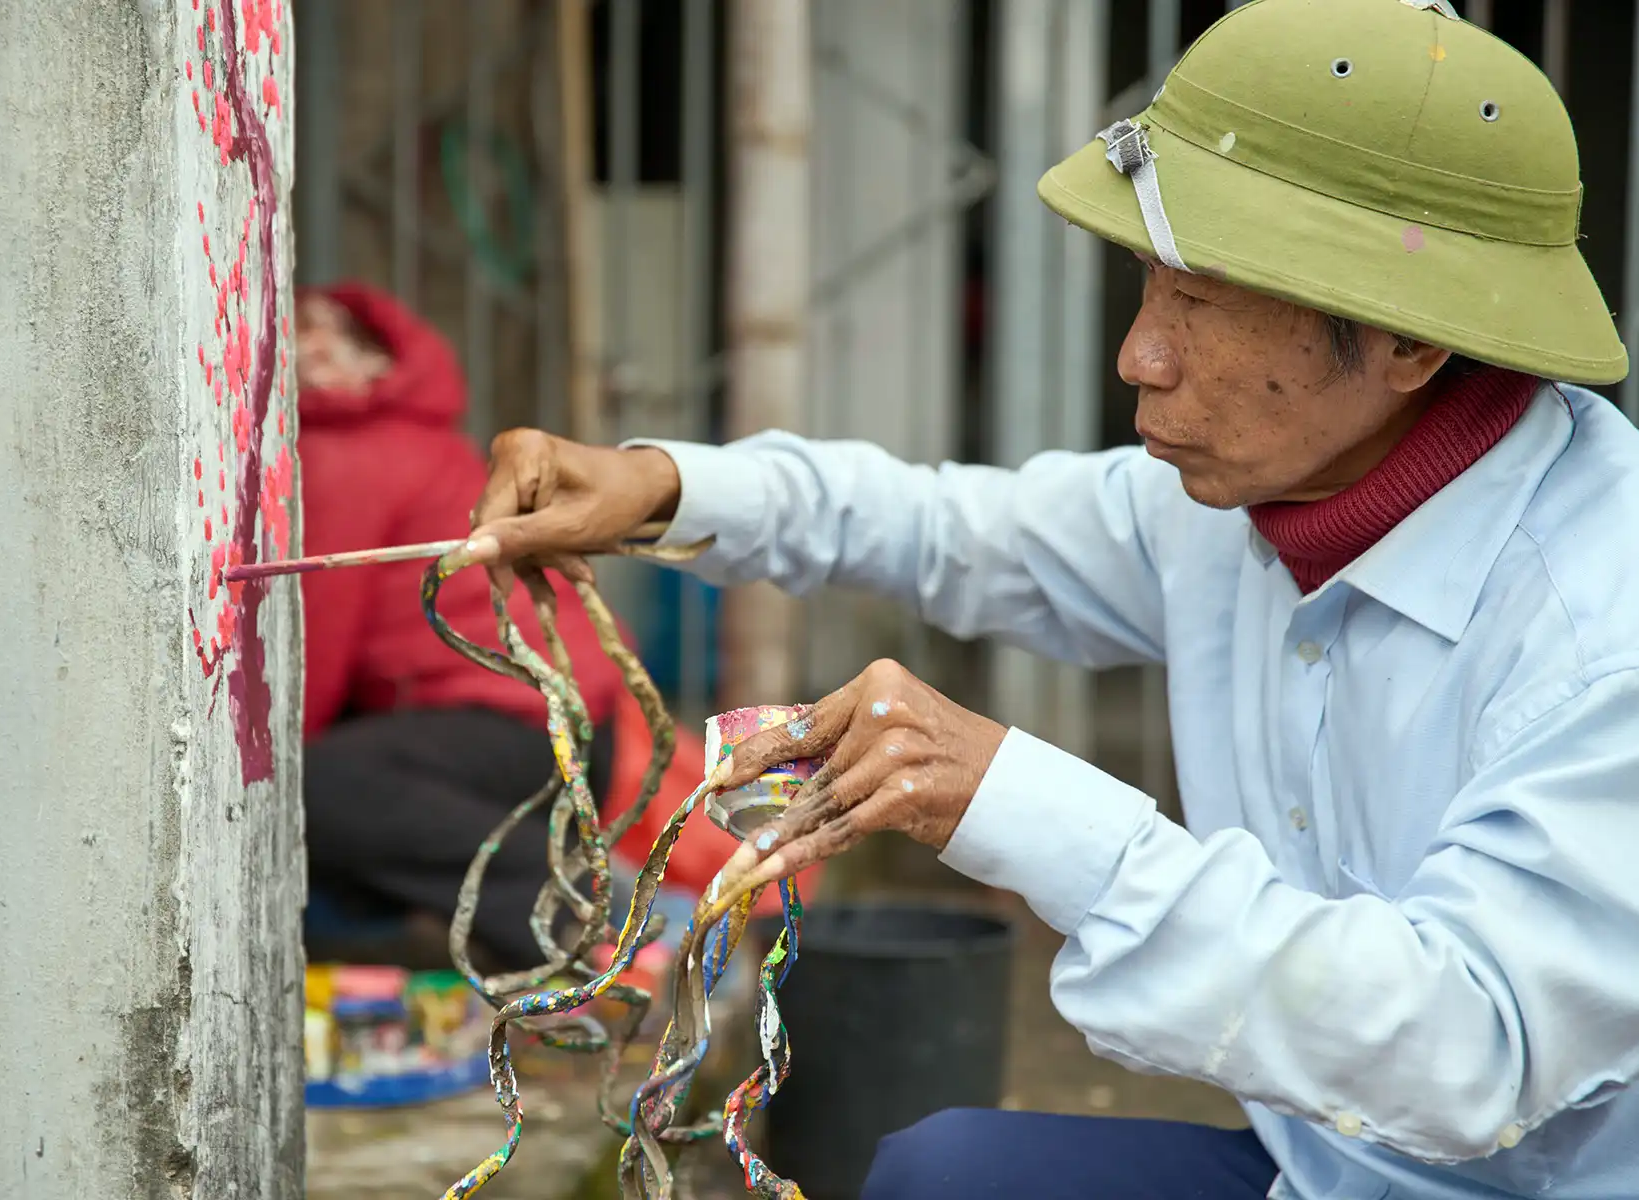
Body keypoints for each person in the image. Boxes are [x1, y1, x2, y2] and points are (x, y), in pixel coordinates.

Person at [455, 2, 1639, 1197]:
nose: (1140, 354)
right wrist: (660, 484)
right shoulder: (1265, 491)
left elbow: (1474, 1049)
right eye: (1148, 285)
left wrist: (1029, 808)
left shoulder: (1603, 630)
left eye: (1206, 304)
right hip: (1323, 1170)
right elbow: (959, 530)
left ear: (1411, 345)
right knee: (942, 1172)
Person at [294, 283, 625, 973]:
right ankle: (478, 930)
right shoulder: (416, 436)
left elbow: (310, 654)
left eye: (326, 342)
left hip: (519, 721)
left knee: (308, 788)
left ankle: (571, 909)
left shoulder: (347, 453)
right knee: (346, 792)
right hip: (571, 717)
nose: (312, 355)